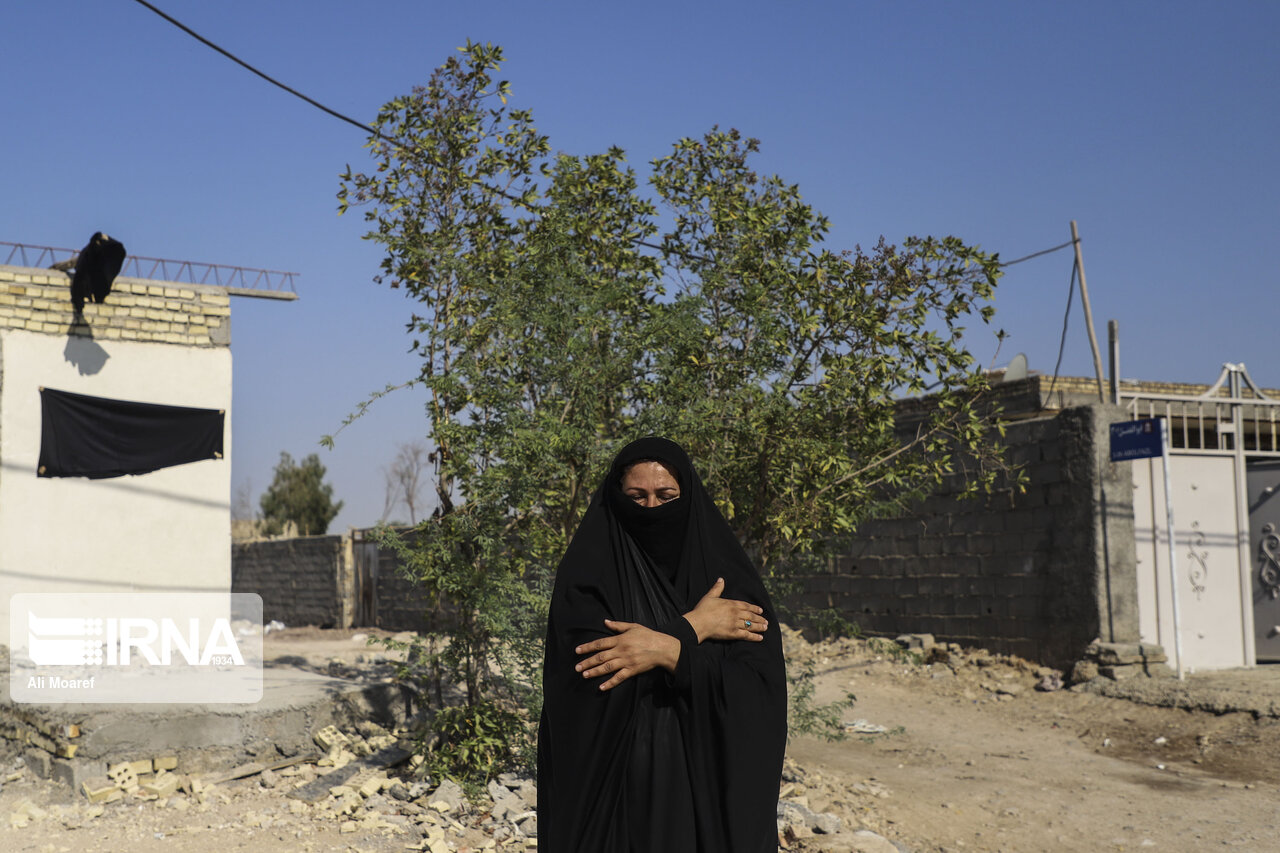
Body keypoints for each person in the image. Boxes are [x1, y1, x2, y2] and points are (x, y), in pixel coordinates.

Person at [538, 437, 787, 852]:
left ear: (685, 496)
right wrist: (693, 627)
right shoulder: (589, 574)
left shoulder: (725, 578)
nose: (651, 509)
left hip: (703, 796)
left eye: (665, 495)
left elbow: (760, 690)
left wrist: (668, 652)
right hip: (613, 800)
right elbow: (582, 680)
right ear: (617, 498)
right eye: (636, 497)